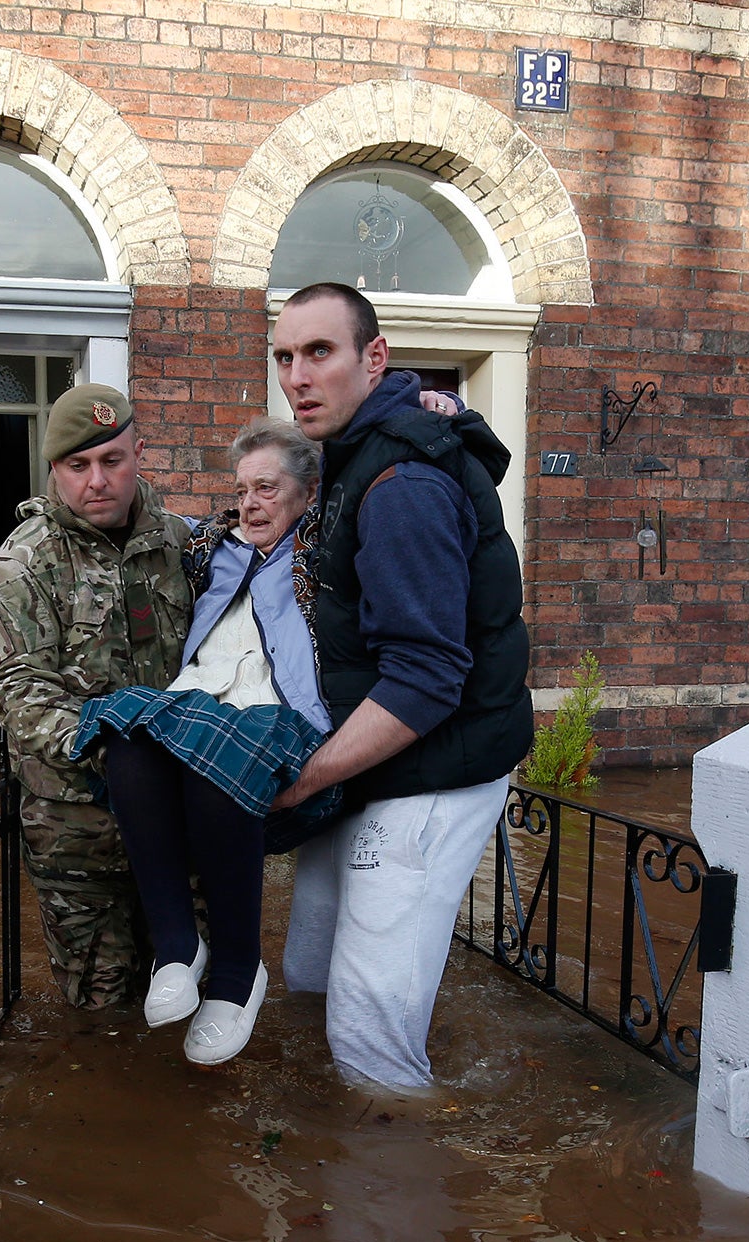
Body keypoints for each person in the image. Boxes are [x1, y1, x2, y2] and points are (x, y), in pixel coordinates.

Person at [267, 282, 535, 1089]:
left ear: (373, 357)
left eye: (320, 352)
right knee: (307, 971)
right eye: (285, 357)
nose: (297, 377)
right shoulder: (354, 454)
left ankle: (393, 1177)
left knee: (366, 1028)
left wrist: (299, 782)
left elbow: (425, 677)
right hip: (376, 761)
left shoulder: (402, 486)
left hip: (435, 769)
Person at [69, 418, 334, 1066]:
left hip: (280, 714)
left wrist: (443, 414)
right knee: (126, 735)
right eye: (243, 488)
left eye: (268, 488)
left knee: (220, 762)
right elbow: (140, 525)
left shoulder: (332, 552)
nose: (251, 502)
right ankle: (179, 945)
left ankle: (241, 973)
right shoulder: (212, 547)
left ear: (308, 492)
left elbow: (394, 486)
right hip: (200, 698)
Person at [0, 384, 193, 1009]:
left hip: (182, 820)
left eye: (112, 461)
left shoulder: (184, 546)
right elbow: (13, 686)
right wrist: (116, 748)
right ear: (55, 471)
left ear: (139, 454)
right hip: (78, 832)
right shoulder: (24, 563)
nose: (97, 481)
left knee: (191, 989)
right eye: (78, 466)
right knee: (100, 1009)